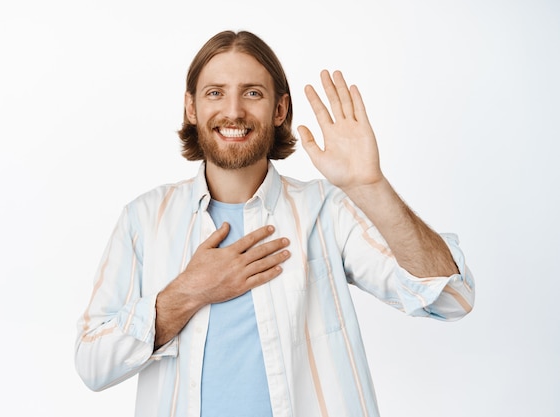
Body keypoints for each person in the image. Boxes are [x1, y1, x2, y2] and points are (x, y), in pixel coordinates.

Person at [75, 30, 474, 417]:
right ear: (191, 108)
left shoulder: (326, 210)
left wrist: (370, 186)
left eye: (253, 93)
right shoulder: (144, 219)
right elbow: (93, 364)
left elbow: (451, 299)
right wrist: (188, 292)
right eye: (215, 92)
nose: (233, 111)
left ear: (279, 109)